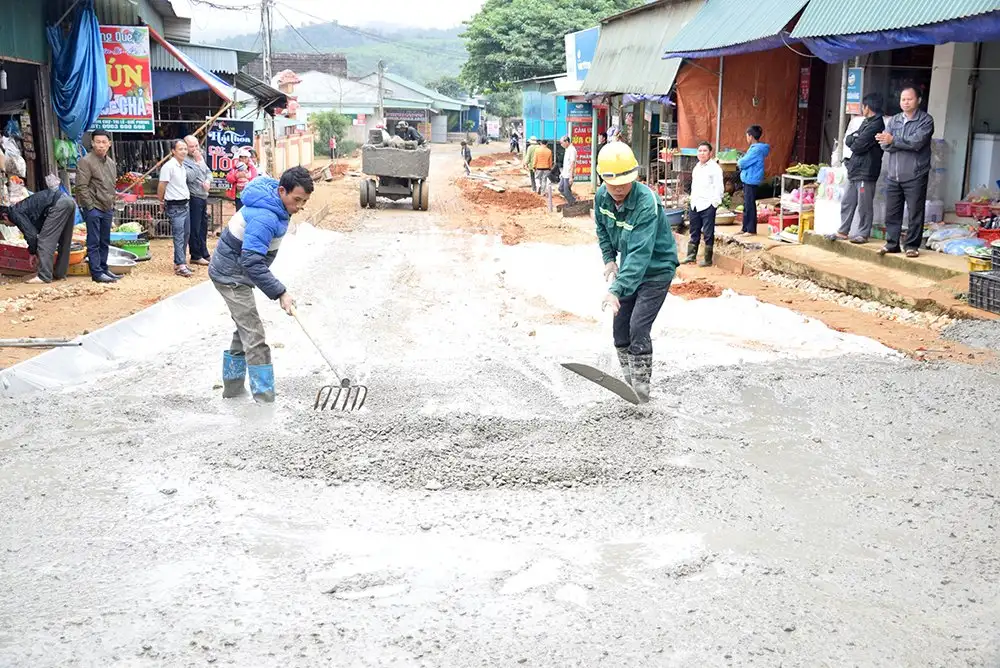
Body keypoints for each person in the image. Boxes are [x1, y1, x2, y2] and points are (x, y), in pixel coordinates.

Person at [208, 166, 314, 403]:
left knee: (244, 328)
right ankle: (265, 400)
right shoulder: (265, 217)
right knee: (254, 335)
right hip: (231, 275)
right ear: (281, 190)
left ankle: (233, 390)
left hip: (237, 271)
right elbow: (252, 261)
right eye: (296, 200)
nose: (298, 207)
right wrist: (281, 292)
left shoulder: (273, 203)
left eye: (304, 201)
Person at [594, 141, 679, 403]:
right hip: (630, 268)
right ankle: (629, 382)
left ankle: (642, 390)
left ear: (635, 176)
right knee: (620, 329)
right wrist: (609, 259)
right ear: (603, 178)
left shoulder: (646, 202)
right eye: (612, 182)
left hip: (656, 271)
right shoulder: (601, 197)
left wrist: (615, 289)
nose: (618, 188)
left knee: (638, 326)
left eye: (624, 182)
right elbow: (602, 229)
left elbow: (642, 254)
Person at [877, 87, 935, 258]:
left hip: (915, 174)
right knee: (892, 211)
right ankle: (892, 243)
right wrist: (893, 142)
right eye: (903, 99)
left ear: (918, 100)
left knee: (915, 212)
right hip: (893, 174)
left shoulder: (926, 121)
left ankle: (911, 245)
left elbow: (917, 143)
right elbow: (883, 144)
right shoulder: (894, 120)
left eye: (909, 99)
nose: (905, 102)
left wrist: (894, 140)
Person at [830, 93, 885, 244]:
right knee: (847, 201)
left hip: (866, 172)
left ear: (868, 107)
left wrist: (854, 139)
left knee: (864, 205)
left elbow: (858, 145)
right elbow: (851, 139)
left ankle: (863, 233)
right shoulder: (867, 122)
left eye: (863, 106)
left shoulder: (876, 124)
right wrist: (855, 138)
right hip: (855, 168)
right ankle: (843, 231)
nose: (862, 109)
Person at [7, 175, 77, 284]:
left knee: (44, 241)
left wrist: (32, 252)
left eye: (5, 224)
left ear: (4, 216)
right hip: (68, 200)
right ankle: (60, 273)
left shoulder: (13, 213)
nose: (8, 226)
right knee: (64, 241)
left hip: (58, 204)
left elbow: (32, 235)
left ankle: (44, 276)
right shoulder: (22, 208)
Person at [75, 129, 119, 283]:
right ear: (92, 143)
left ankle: (104, 268)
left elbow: (111, 184)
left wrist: (112, 203)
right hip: (94, 208)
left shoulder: (111, 163)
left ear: (109, 144)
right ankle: (97, 273)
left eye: (104, 142)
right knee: (94, 241)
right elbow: (81, 186)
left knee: (105, 240)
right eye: (98, 142)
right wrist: (90, 207)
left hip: (107, 207)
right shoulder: (86, 161)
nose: (101, 145)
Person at [685, 141, 724, 267]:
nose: (702, 153)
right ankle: (691, 256)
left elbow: (719, 187)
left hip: (708, 204)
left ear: (710, 153)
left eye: (704, 151)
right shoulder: (697, 167)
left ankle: (708, 259)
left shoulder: (715, 168)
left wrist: (715, 203)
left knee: (708, 232)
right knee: (694, 230)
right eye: (700, 151)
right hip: (695, 203)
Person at [158, 139, 193, 278]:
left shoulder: (182, 166)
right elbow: (162, 185)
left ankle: (180, 262)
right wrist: (161, 200)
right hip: (175, 205)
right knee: (179, 236)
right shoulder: (169, 166)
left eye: (185, 149)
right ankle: (181, 265)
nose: (184, 151)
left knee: (185, 234)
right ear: (173, 151)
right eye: (180, 149)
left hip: (185, 204)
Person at [736, 125, 770, 237]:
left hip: (751, 179)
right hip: (749, 178)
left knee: (749, 205)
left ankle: (751, 230)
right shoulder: (756, 149)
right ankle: (745, 228)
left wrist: (739, 161)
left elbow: (743, 163)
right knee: (747, 204)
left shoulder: (756, 150)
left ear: (750, 136)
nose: (746, 138)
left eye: (747, 135)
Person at [184, 135, 212, 266]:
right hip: (193, 196)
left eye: (196, 146)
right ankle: (195, 254)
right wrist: (197, 163)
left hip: (203, 196)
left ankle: (204, 252)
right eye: (191, 146)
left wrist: (208, 181)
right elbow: (189, 177)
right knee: (194, 227)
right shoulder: (184, 160)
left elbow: (208, 172)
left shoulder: (200, 157)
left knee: (203, 226)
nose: (195, 149)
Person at [559, 135, 577, 205]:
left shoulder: (572, 150)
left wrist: (571, 176)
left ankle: (572, 202)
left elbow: (572, 163)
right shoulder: (567, 149)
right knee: (561, 188)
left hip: (569, 174)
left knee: (566, 191)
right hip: (565, 174)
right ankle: (572, 201)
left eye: (562, 143)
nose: (561, 145)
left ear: (566, 142)